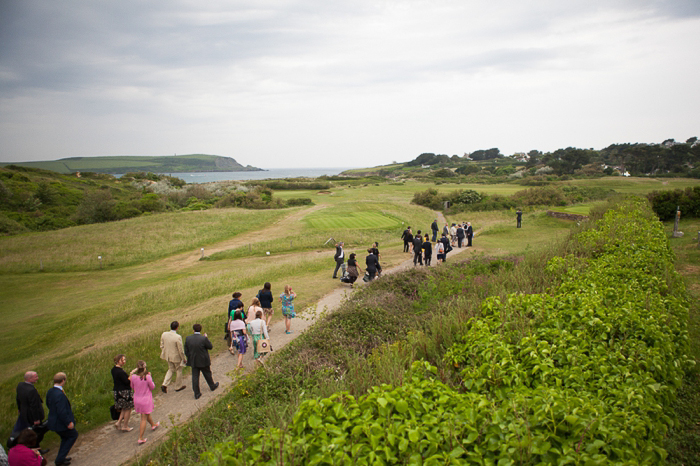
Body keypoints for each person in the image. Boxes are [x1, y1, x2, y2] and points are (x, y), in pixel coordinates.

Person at [46, 372, 78, 466]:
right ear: (63, 380)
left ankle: (61, 457)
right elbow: (62, 411)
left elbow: (48, 404)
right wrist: (68, 422)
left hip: (54, 421)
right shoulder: (59, 395)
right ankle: (59, 460)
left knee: (65, 438)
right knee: (73, 435)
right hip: (61, 422)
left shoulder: (51, 391)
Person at [13, 372, 47, 451]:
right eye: (35, 377)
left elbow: (18, 398)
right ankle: (36, 449)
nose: (37, 378)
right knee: (37, 432)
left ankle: (35, 448)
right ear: (30, 379)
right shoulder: (31, 390)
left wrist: (19, 408)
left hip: (25, 413)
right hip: (32, 415)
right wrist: (36, 419)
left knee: (32, 432)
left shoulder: (20, 385)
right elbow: (33, 406)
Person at [184, 324, 219, 400]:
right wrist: (206, 338)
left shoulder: (188, 338)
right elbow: (210, 347)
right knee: (207, 374)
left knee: (195, 377)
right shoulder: (203, 339)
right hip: (203, 360)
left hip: (194, 360)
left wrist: (190, 357)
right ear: (200, 330)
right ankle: (212, 386)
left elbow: (186, 351)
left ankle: (196, 393)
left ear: (193, 330)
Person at [129, 361, 159, 445]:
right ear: (145, 367)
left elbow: (132, 386)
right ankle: (140, 438)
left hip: (137, 399)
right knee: (143, 418)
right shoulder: (147, 376)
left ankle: (153, 424)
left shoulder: (134, 377)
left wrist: (131, 373)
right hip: (145, 399)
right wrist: (151, 377)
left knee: (145, 413)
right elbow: (152, 387)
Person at [159, 322, 187, 394]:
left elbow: (161, 345)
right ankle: (178, 386)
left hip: (168, 356)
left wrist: (165, 352)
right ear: (177, 327)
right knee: (179, 370)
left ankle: (164, 384)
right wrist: (183, 358)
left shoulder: (164, 334)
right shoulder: (177, 337)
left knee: (171, 369)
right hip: (176, 357)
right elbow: (180, 350)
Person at [111, 355, 134, 432]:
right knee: (128, 408)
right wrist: (131, 375)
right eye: (122, 360)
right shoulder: (120, 372)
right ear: (118, 361)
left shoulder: (113, 370)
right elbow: (127, 381)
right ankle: (125, 425)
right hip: (124, 392)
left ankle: (119, 422)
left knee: (124, 408)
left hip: (117, 391)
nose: (124, 361)